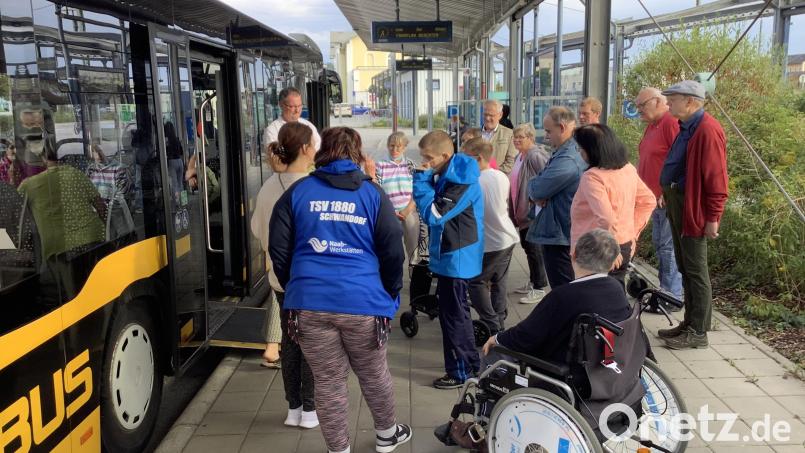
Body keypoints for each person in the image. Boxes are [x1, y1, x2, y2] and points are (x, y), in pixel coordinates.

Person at [269, 127, 411, 453]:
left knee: (329, 381)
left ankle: (339, 449)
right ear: (357, 155)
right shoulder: (372, 195)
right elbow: (393, 249)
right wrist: (390, 293)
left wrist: (298, 287)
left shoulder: (298, 192)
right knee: (374, 374)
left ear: (321, 153)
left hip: (310, 305)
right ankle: (387, 436)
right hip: (363, 302)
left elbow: (278, 248)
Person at [251, 123, 319, 427]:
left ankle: (293, 410)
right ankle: (310, 410)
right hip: (310, 281)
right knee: (312, 344)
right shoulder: (313, 186)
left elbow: (256, 230)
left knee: (290, 342)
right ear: (305, 149)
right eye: (313, 144)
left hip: (280, 280)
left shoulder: (268, 187)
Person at [482, 229, 631, 364]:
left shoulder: (563, 296)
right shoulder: (616, 287)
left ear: (573, 256)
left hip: (570, 367)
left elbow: (526, 336)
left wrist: (497, 338)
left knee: (493, 351)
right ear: (611, 263)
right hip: (606, 357)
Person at [657, 81, 728, 350]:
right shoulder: (688, 126)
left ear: (690, 101)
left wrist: (713, 217)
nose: (668, 104)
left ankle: (699, 331)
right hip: (677, 200)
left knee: (696, 270)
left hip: (692, 206)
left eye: (672, 99)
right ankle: (689, 323)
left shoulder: (707, 130)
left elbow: (717, 179)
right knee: (685, 266)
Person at [412, 130, 483, 389]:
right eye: (422, 158)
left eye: (428, 158)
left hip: (458, 258)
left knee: (454, 317)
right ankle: (464, 367)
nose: (425, 162)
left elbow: (433, 214)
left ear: (445, 155)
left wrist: (421, 179)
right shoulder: (450, 173)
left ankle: (464, 370)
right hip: (452, 255)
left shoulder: (462, 180)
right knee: (451, 314)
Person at [570, 124, 656, 284]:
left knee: (595, 297)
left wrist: (612, 246)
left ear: (593, 150)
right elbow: (648, 201)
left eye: (580, 148)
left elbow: (606, 218)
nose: (580, 152)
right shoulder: (627, 169)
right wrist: (632, 233)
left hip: (596, 247)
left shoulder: (593, 177)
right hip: (624, 243)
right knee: (615, 293)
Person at [462, 138, 519, 334]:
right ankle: (500, 320)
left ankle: (491, 323)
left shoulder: (475, 182)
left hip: (491, 243)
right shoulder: (500, 176)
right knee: (498, 281)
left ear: (478, 158)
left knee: (475, 282)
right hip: (507, 238)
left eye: (465, 157)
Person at [527, 106, 587, 289]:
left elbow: (537, 190)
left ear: (561, 127)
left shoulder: (568, 158)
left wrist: (536, 190)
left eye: (548, 131)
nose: (546, 136)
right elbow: (538, 183)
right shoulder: (565, 151)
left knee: (564, 291)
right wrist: (537, 187)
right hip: (560, 231)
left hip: (561, 234)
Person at [18, 143, 106, 262]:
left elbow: (13, 211)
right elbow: (101, 207)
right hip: (93, 237)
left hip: (59, 247)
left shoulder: (29, 185)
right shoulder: (76, 173)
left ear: (42, 158)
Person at [635, 87, 683, 300]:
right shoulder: (652, 126)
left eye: (641, 105)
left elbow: (680, 159)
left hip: (665, 198)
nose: (638, 110)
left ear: (656, 102)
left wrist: (667, 188)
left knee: (667, 247)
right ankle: (665, 290)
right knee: (660, 244)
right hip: (651, 198)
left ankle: (672, 295)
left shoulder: (670, 123)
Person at [508, 123, 550, 304]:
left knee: (534, 250)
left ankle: (539, 287)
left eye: (521, 137)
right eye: (515, 137)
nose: (517, 140)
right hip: (522, 212)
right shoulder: (520, 155)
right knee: (527, 247)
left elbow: (548, 178)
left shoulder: (535, 155)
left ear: (531, 138)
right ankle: (534, 281)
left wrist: (536, 201)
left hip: (533, 213)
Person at [374, 132, 420, 269]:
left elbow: (418, 190)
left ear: (405, 148)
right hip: (389, 213)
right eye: (392, 146)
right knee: (391, 250)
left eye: (399, 147)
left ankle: (414, 276)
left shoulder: (411, 165)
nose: (395, 150)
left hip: (409, 211)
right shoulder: (380, 165)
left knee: (413, 249)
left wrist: (408, 209)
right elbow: (377, 191)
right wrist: (390, 211)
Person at [263, 87, 321, 151]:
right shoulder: (272, 130)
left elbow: (318, 148)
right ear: (281, 105)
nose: (297, 110)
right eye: (292, 106)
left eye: (299, 105)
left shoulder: (309, 125)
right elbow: (275, 157)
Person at [480, 100, 517, 174]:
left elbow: (511, 163)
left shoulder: (509, 134)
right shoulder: (474, 134)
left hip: (498, 181)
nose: (487, 118)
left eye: (491, 115)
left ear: (500, 115)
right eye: (485, 114)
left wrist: (490, 173)